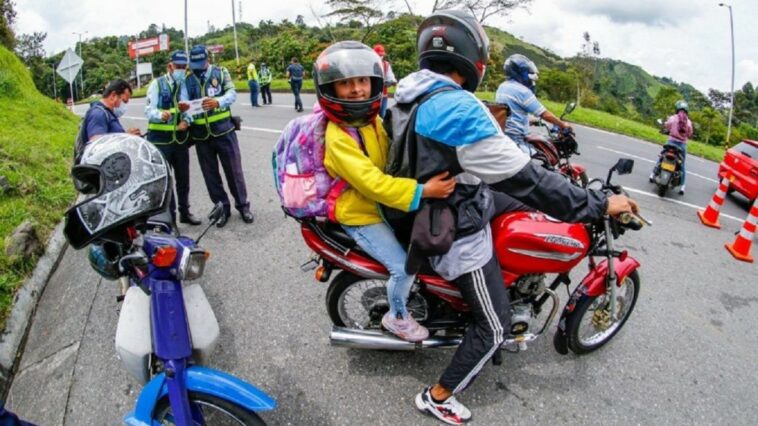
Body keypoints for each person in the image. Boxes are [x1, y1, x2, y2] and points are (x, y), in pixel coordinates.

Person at [393, 11, 638, 424]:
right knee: (496, 326)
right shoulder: (459, 109)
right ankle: (438, 396)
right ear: (474, 59)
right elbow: (526, 177)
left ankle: (514, 283)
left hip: (450, 197)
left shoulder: (411, 90)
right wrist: (594, 205)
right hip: (449, 225)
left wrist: (557, 187)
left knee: (528, 210)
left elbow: (512, 173)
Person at [317, 41, 456, 341]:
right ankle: (398, 317)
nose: (356, 89)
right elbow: (374, 184)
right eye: (345, 83)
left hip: (379, 204)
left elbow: (393, 148)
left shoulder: (368, 120)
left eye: (363, 81)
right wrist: (424, 190)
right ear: (330, 90)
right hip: (360, 214)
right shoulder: (338, 137)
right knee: (403, 268)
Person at [185, 45, 254, 227]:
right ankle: (222, 208)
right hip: (201, 137)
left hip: (224, 132)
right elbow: (184, 103)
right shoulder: (188, 80)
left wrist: (218, 101)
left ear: (207, 60)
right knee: (210, 176)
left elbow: (231, 93)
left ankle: (243, 206)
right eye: (194, 64)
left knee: (234, 171)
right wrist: (185, 111)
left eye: (200, 63)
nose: (197, 67)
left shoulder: (220, 73)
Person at [144, 50, 201, 226]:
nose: (181, 70)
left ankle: (185, 212)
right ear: (170, 66)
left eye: (184, 67)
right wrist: (161, 115)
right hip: (161, 141)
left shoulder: (183, 85)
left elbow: (188, 109)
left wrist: (186, 119)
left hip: (180, 141)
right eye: (178, 67)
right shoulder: (157, 84)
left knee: (183, 179)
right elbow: (149, 111)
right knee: (166, 181)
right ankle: (170, 219)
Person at [495, 54, 572, 155]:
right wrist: (562, 124)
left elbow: (512, 112)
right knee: (544, 159)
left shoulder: (503, 87)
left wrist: (532, 120)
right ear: (520, 72)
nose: (531, 76)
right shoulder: (523, 91)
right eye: (528, 72)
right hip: (516, 140)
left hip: (504, 136)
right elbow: (544, 114)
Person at [650, 100, 693, 194]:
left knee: (661, 157)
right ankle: (682, 187)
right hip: (681, 145)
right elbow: (690, 133)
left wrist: (670, 130)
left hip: (671, 142)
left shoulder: (673, 118)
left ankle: (652, 174)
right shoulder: (689, 122)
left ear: (677, 109)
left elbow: (667, 126)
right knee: (682, 165)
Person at [373, 44, 397, 118]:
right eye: (379, 55)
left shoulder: (386, 65)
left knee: (382, 116)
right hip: (372, 96)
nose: (380, 57)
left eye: (381, 55)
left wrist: (390, 83)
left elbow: (392, 79)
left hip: (383, 96)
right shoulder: (369, 64)